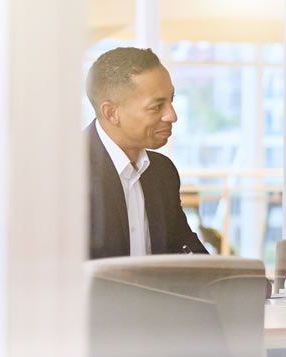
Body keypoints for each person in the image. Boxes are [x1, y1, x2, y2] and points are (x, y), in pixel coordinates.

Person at [85, 47, 207, 259]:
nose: (172, 115)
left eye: (171, 101)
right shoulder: (67, 172)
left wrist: (239, 281)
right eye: (157, 106)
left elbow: (187, 249)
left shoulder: (162, 172)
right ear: (111, 113)